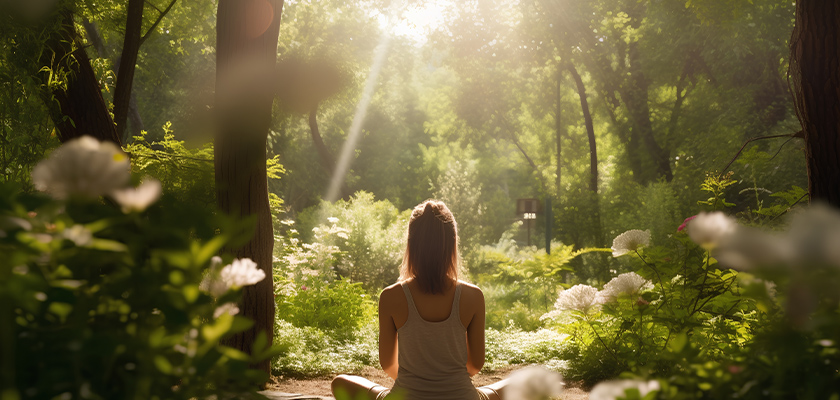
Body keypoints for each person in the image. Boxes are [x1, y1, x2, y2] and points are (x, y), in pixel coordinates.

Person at [331, 200, 508, 400]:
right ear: (451, 244)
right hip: (462, 396)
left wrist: (420, 382)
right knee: (522, 381)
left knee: (340, 382)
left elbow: (388, 364)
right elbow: (475, 364)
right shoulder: (473, 295)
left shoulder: (390, 296)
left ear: (411, 244)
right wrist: (444, 381)